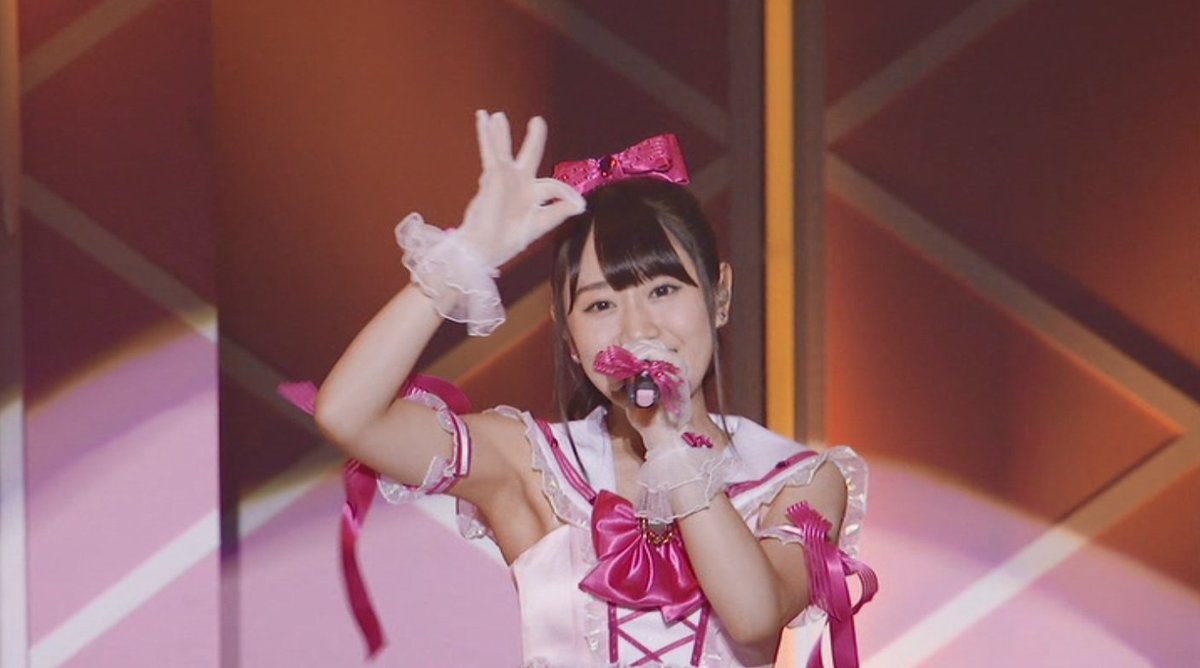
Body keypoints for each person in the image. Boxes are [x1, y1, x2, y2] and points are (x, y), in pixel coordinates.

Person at [309, 111, 874, 667]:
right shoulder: (536, 466)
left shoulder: (795, 480)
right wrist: (463, 258)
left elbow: (754, 616)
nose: (637, 328)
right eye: (601, 304)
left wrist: (670, 442)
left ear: (719, 295)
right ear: (570, 335)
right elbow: (348, 416)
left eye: (662, 290)